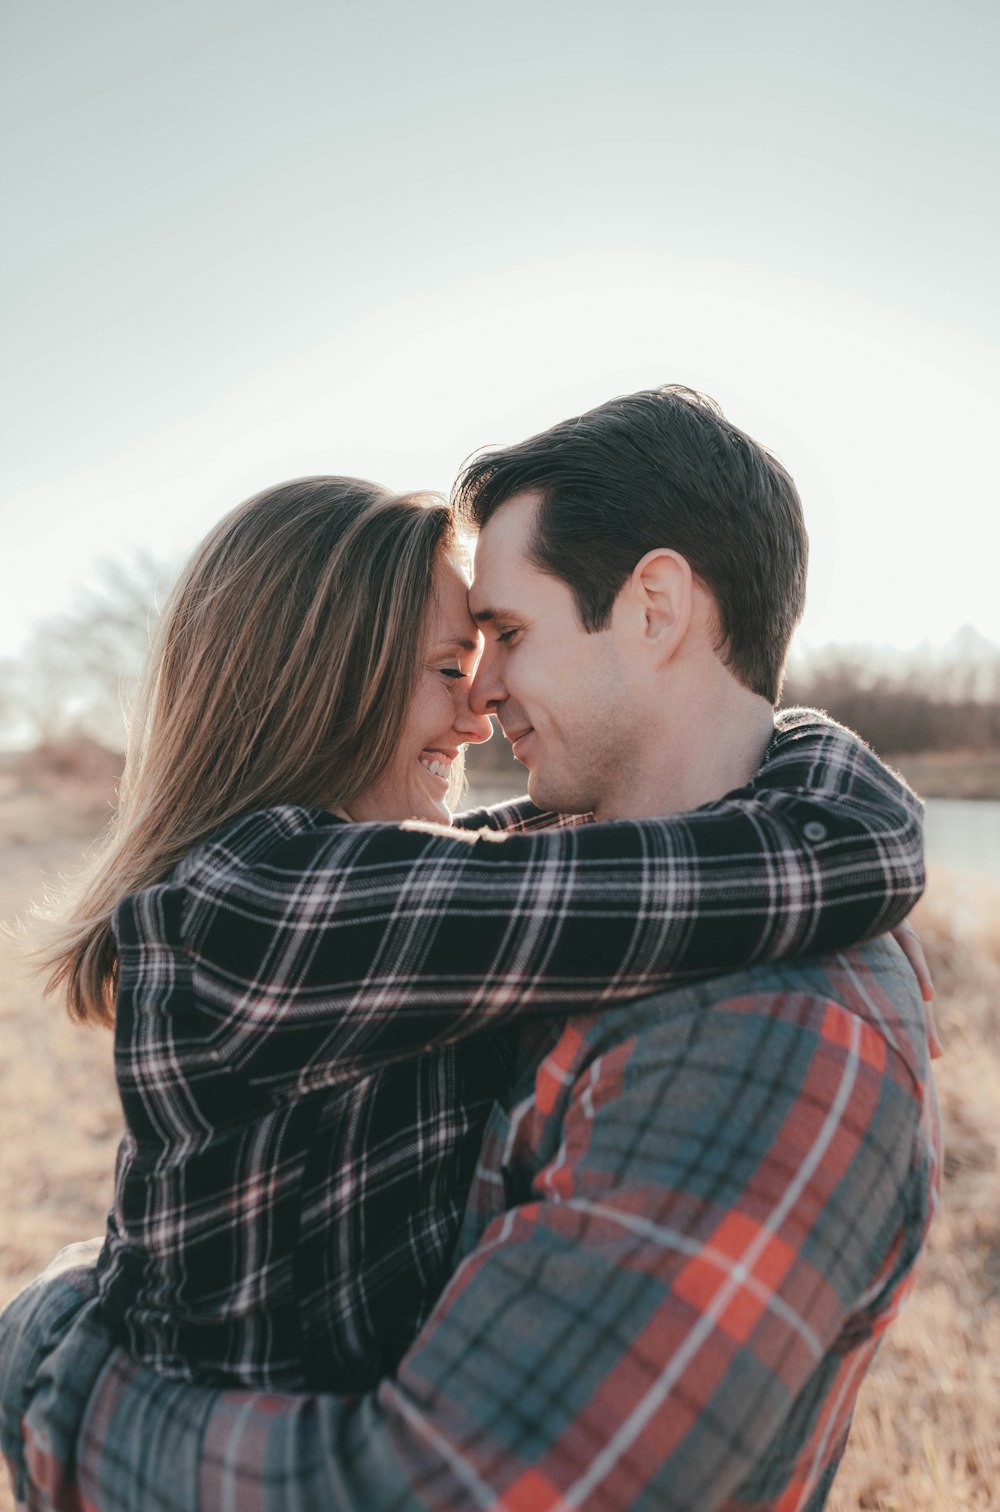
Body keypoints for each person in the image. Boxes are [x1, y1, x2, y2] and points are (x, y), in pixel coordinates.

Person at [0, 388, 937, 1511]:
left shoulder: (760, 1016)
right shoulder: (265, 902)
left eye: (505, 640)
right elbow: (706, 860)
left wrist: (48, 1359)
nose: (483, 703)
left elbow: (557, 860)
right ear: (322, 687)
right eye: (454, 663)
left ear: (655, 608)